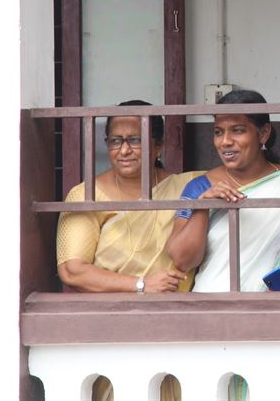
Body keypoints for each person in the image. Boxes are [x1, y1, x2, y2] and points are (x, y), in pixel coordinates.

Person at [56, 100, 197, 401]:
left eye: (135, 140)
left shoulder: (186, 188)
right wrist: (142, 285)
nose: (124, 150)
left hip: (174, 329)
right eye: (115, 141)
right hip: (111, 327)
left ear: (158, 146)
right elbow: (72, 270)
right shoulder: (86, 195)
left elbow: (242, 179)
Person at [166, 89, 280, 294]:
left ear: (263, 133)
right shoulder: (200, 187)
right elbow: (182, 261)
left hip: (271, 306)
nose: (225, 141)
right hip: (209, 303)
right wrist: (202, 207)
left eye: (237, 130)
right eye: (218, 132)